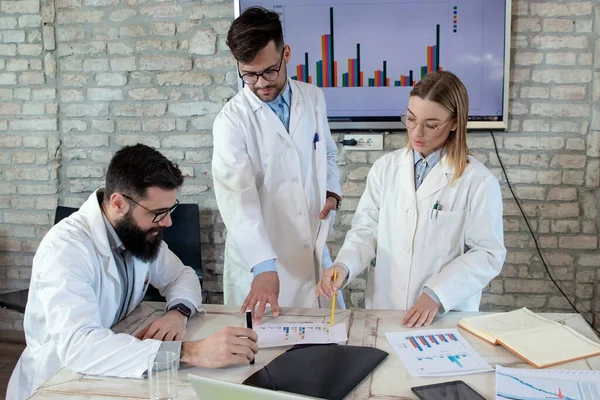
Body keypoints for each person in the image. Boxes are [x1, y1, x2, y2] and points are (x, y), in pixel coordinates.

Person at [8, 144, 258, 400]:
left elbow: (181, 276)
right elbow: (79, 347)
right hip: (59, 381)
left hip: (116, 358)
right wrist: (189, 352)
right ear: (118, 203)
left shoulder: (138, 235)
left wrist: (178, 312)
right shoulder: (65, 249)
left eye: (170, 210)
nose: (168, 222)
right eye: (158, 213)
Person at [317, 71, 506, 328]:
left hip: (442, 316)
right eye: (410, 118)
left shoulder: (478, 181)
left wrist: (437, 293)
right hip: (386, 308)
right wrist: (344, 266)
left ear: (454, 123)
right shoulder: (385, 168)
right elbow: (366, 230)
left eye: (431, 125)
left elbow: (487, 254)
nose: (417, 133)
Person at [212, 6, 343, 323]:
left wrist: (331, 192)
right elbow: (237, 201)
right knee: (261, 357)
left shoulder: (313, 97)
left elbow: (326, 152)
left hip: (310, 248)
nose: (260, 84)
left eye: (269, 71)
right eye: (249, 74)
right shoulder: (231, 121)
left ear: (286, 54)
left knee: (320, 350)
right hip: (260, 263)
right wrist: (264, 265)